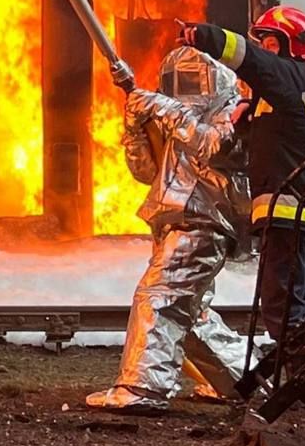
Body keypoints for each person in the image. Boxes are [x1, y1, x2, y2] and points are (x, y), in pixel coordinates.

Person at [86, 46, 254, 412]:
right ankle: (249, 382)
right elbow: (147, 172)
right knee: (191, 312)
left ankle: (142, 389)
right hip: (174, 221)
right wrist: (134, 128)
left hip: (204, 222)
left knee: (158, 298)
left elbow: (214, 147)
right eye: (174, 82)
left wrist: (162, 108)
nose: (181, 88)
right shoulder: (179, 119)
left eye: (191, 80)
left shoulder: (230, 112)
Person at [177, 6, 305, 340]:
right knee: (298, 306)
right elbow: (289, 133)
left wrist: (204, 35)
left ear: (290, 44)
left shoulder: (291, 75)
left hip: (289, 212)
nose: (265, 49)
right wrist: (251, 115)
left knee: (283, 311)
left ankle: (298, 377)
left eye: (269, 42)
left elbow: (250, 59)